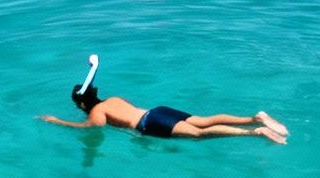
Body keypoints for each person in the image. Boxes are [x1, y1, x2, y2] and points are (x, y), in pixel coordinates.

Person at [40, 60, 288, 144]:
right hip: (158, 110)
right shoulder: (114, 99)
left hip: (151, 122)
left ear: (82, 104)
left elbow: (90, 128)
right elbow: (128, 115)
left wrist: (58, 121)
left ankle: (256, 132)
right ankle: (254, 117)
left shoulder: (97, 112)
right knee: (204, 121)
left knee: (199, 135)